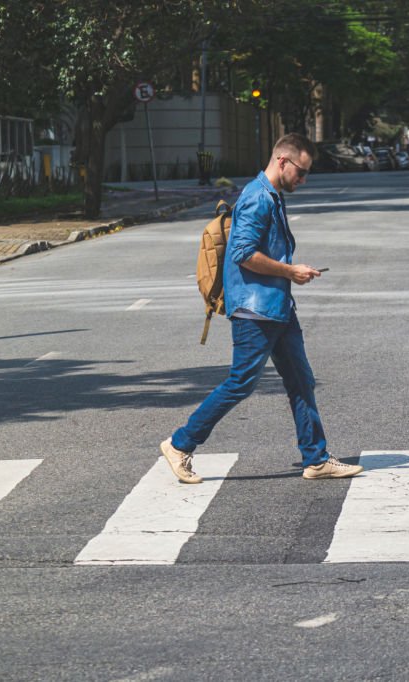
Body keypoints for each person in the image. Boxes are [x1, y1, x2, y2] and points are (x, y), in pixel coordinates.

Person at [160, 133, 363, 484]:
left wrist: (289, 276)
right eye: (301, 171)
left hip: (277, 306)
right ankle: (180, 444)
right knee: (240, 383)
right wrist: (291, 271)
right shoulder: (258, 198)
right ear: (282, 161)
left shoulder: (271, 195)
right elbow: (243, 253)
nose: (303, 179)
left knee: (301, 381)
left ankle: (315, 458)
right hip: (256, 310)